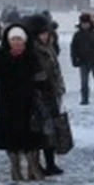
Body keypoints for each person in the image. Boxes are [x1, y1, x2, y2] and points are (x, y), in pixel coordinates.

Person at [0, 24, 46, 181]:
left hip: (29, 102)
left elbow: (41, 76)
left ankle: (32, 167)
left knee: (31, 135)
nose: (16, 43)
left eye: (19, 39)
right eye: (13, 39)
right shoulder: (0, 55)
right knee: (11, 137)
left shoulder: (31, 56)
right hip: (8, 102)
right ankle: (15, 168)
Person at [28, 14, 67, 175]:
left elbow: (56, 69)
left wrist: (60, 87)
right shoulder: (32, 51)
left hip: (52, 92)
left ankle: (50, 162)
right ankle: (38, 164)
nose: (46, 36)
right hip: (39, 94)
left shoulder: (49, 48)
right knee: (43, 130)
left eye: (47, 33)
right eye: (43, 33)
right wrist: (40, 79)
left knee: (51, 129)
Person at [70, 13, 94, 105]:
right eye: (83, 23)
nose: (85, 25)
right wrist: (75, 60)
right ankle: (84, 99)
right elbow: (73, 48)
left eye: (86, 23)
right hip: (83, 61)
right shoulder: (77, 35)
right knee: (84, 82)